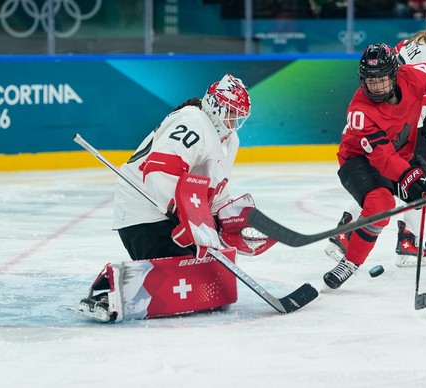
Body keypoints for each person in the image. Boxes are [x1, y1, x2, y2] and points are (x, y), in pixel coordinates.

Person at [73, 74, 276, 322]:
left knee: (209, 279)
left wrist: (230, 219)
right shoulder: (193, 121)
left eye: (239, 116)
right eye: (231, 112)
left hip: (179, 212)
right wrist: (185, 217)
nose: (234, 121)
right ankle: (107, 291)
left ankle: (124, 282)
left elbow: (217, 190)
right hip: (144, 210)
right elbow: (159, 171)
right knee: (175, 278)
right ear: (215, 105)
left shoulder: (230, 140)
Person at [325, 0, 426, 268]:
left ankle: (385, 235)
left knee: (415, 177)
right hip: (391, 128)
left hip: (397, 126)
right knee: (412, 177)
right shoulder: (425, 57)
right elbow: (420, 110)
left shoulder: (418, 45)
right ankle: (369, 234)